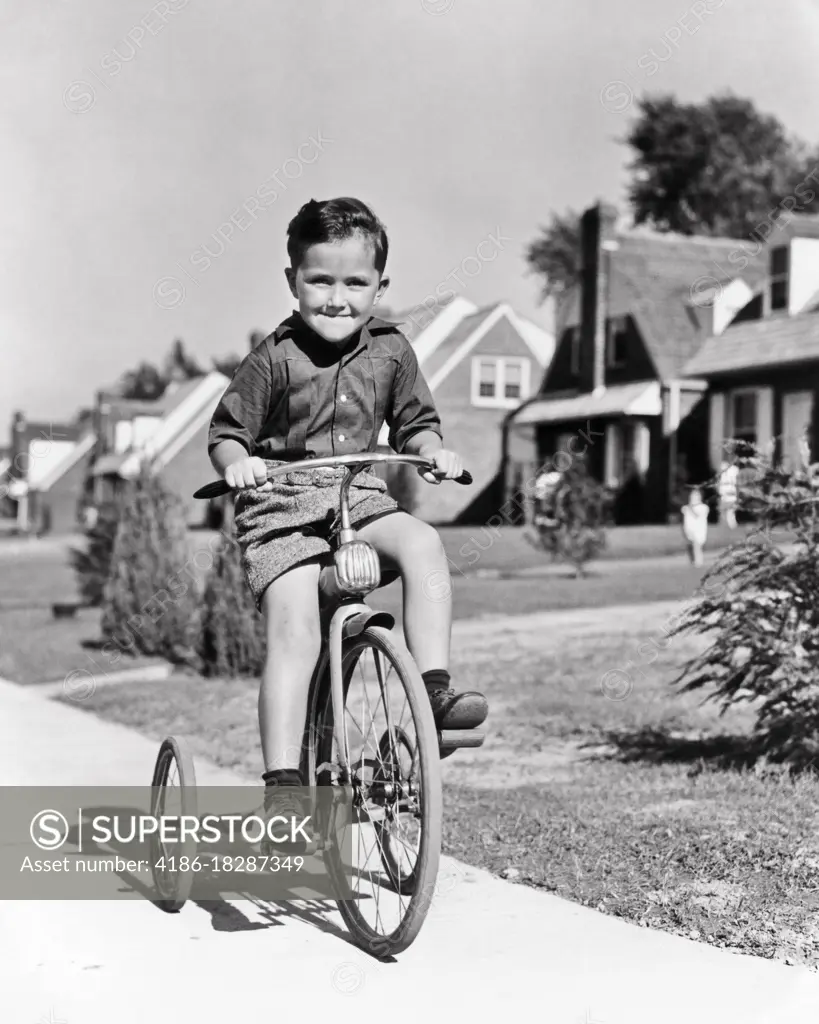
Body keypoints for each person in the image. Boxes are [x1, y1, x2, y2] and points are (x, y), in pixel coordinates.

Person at [208, 197, 489, 844]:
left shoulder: (392, 351)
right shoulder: (272, 357)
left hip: (355, 498)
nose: (337, 299)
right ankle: (283, 786)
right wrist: (238, 464)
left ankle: (434, 692)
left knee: (422, 543)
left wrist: (431, 454)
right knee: (296, 629)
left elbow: (417, 424)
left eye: (355, 283)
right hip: (280, 507)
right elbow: (226, 434)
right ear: (292, 282)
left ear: (380, 288)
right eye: (320, 281)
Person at [680, 486, 709, 567]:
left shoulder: (703, 507)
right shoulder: (686, 507)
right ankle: (692, 561)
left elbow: (697, 515)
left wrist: (691, 507)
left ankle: (698, 562)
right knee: (690, 547)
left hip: (698, 530)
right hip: (689, 530)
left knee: (697, 546)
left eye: (696, 495)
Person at [718, 460, 738, 529]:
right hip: (723, 496)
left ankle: (732, 527)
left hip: (731, 496)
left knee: (730, 514)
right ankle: (723, 527)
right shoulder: (722, 469)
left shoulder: (734, 470)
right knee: (722, 513)